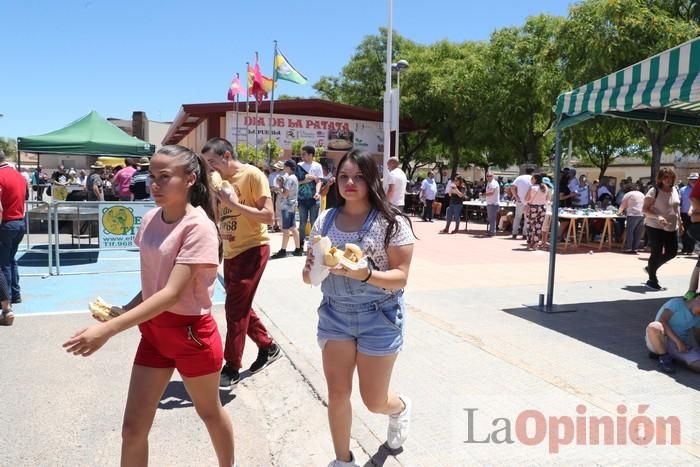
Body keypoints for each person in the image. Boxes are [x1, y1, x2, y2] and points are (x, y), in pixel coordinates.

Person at [62, 145, 237, 466]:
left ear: (190, 179)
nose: (154, 184)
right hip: (155, 335)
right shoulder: (150, 219)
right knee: (132, 430)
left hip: (191, 337)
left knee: (210, 412)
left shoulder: (198, 227)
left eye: (164, 177)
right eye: (152, 176)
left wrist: (108, 330)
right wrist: (125, 310)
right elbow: (152, 287)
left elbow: (171, 293)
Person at [302, 149, 415, 467]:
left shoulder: (392, 222)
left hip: (379, 316)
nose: (350, 183)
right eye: (343, 177)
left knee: (374, 401)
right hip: (335, 313)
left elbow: (401, 277)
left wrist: (364, 273)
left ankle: (400, 408)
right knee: (338, 393)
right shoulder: (324, 220)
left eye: (359, 177)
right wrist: (312, 267)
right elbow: (307, 275)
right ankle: (343, 460)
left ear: (372, 180)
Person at [201, 138, 281, 389]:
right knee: (240, 305)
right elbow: (219, 217)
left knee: (235, 310)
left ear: (226, 156)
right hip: (232, 251)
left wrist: (233, 203)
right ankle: (267, 346)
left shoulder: (252, 175)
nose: (210, 168)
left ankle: (232, 366)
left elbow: (268, 216)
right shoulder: (217, 182)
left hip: (253, 248)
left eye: (212, 162)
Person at [643, 168, 681, 290]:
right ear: (660, 178)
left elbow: (676, 208)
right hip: (654, 225)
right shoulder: (654, 191)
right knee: (656, 252)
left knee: (672, 252)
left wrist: (680, 222)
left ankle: (651, 268)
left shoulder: (675, 190)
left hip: (671, 226)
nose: (668, 179)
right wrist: (657, 216)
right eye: (665, 177)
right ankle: (652, 279)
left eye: (670, 177)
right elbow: (645, 210)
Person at [0, 150, 26, 324]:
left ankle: (6, 303)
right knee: (10, 260)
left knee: (2, 265)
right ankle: (15, 294)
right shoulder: (19, 176)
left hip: (6, 223)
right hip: (19, 222)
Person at [645, 295, 700, 373]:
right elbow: (662, 321)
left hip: (678, 346)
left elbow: (698, 335)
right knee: (654, 326)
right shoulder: (676, 303)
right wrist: (678, 342)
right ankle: (664, 357)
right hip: (660, 339)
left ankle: (669, 355)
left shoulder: (698, 317)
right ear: (698, 298)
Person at [270, 160, 303, 259]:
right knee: (292, 227)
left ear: (288, 167)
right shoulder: (295, 178)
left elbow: (285, 194)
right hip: (292, 206)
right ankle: (298, 249)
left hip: (287, 206)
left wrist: (278, 189)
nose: (284, 169)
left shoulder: (289, 179)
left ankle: (283, 250)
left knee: (285, 229)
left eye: (285, 167)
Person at [296, 145, 324, 251]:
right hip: (302, 199)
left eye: (304, 154)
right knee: (302, 223)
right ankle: (300, 245)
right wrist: (305, 181)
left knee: (314, 223)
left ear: (310, 155)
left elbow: (319, 181)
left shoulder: (317, 166)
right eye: (302, 154)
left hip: (314, 199)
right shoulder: (299, 166)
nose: (302, 156)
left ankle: (313, 246)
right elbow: (296, 182)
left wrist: (317, 192)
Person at [525, 173, 550, 250]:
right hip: (542, 207)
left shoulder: (532, 188)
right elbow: (547, 199)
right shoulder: (545, 187)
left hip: (533, 207)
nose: (531, 180)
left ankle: (529, 243)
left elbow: (527, 198)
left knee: (530, 225)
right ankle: (535, 244)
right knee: (538, 226)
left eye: (532, 178)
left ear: (535, 179)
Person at [617, 183, 645, 253]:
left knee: (630, 232)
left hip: (632, 214)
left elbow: (622, 205)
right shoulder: (642, 194)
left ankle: (629, 248)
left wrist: (618, 212)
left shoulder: (628, 194)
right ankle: (635, 248)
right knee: (638, 233)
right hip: (642, 214)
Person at [510, 167, 534, 239]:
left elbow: (512, 188)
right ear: (532, 172)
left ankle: (514, 233)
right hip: (529, 201)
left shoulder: (519, 178)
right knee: (527, 218)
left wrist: (516, 197)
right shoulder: (533, 179)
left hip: (520, 200)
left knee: (517, 217)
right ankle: (525, 234)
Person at [679, 172, 698, 254]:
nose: (693, 181)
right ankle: (684, 247)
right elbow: (680, 202)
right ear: (689, 180)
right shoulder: (682, 190)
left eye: (695, 180)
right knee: (684, 231)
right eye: (691, 179)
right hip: (684, 213)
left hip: (696, 214)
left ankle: (691, 249)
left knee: (693, 231)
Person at [268, 161, 285, 232]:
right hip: (273, 192)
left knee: (281, 209)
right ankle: (275, 224)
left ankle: (281, 224)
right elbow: (270, 185)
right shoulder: (272, 175)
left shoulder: (284, 175)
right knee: (274, 209)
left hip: (282, 193)